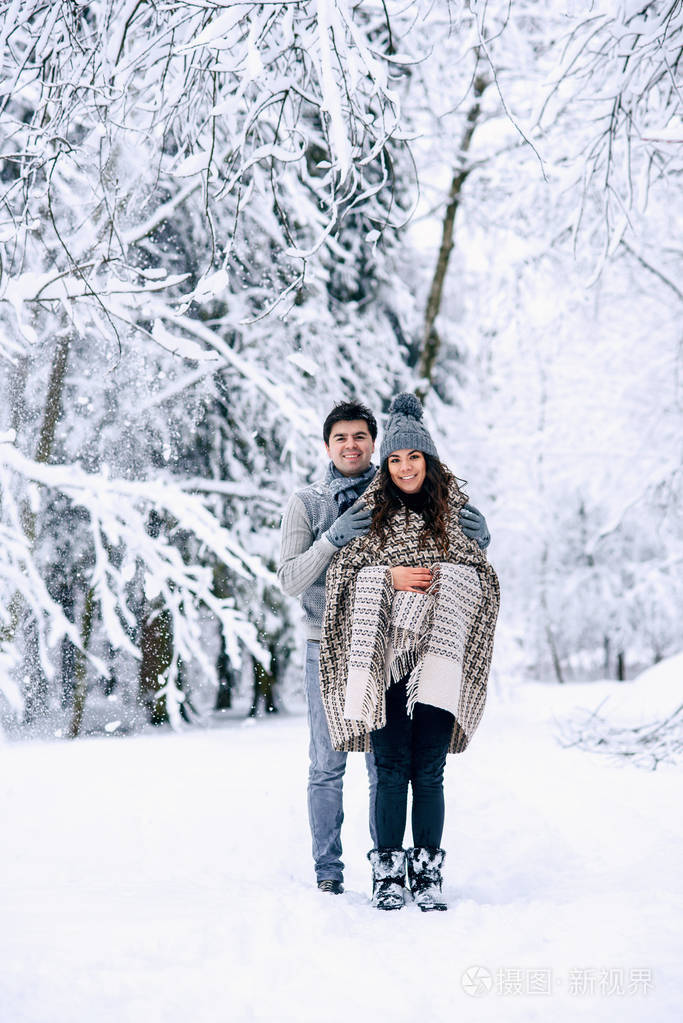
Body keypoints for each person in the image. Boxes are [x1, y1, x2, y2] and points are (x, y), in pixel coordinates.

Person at [278, 399, 492, 894]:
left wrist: (482, 542)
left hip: (392, 648)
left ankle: (388, 867)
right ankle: (329, 872)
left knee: (386, 765)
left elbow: (443, 549)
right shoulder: (309, 502)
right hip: (325, 643)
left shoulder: (389, 493)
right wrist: (332, 539)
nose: (351, 446)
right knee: (328, 764)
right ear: (327, 444)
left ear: (374, 442)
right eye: (340, 438)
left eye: (360, 437)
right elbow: (290, 579)